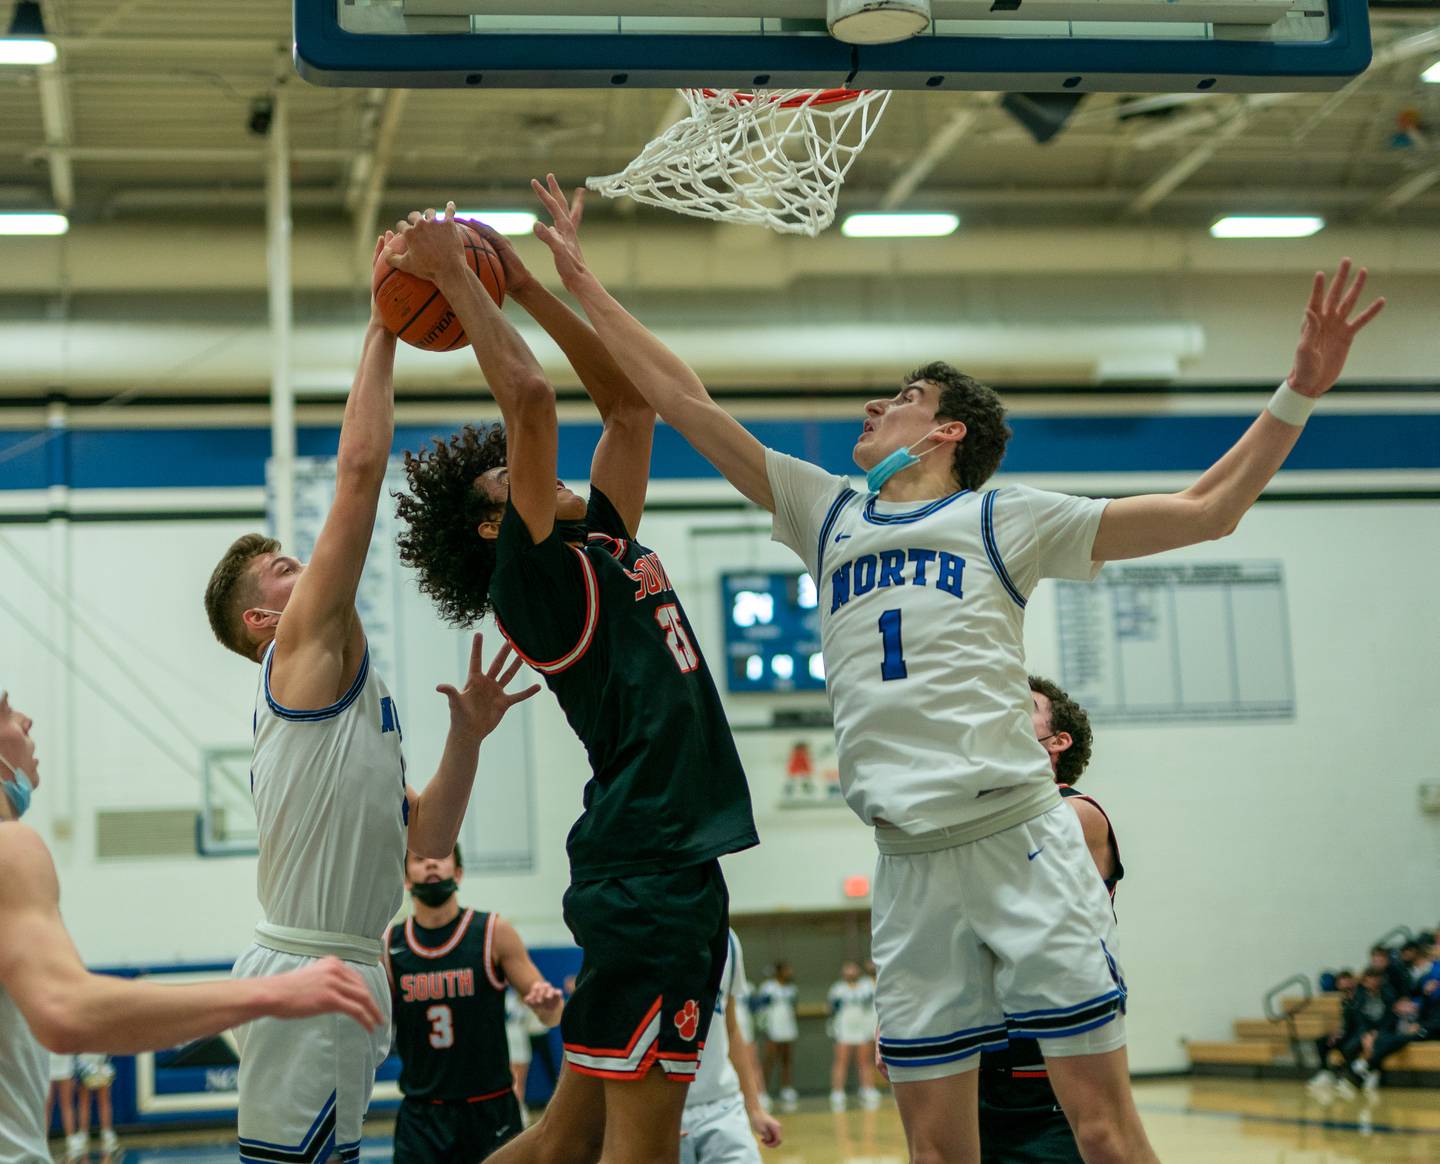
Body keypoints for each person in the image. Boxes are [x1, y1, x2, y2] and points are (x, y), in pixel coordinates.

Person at [525, 174, 1385, 1164]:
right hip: (906, 865)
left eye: (903, 399)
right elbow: (681, 399)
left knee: (1103, 1130)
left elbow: (1208, 510)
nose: (874, 404)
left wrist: (1303, 387)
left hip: (1018, 838)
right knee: (937, 1153)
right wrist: (583, 282)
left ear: (948, 434)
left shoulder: (1005, 516)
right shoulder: (827, 512)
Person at [385, 200, 758, 1164]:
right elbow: (535, 403)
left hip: (650, 863)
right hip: (654, 869)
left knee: (561, 1142)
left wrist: (528, 284)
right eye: (509, 476)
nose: (531, 467)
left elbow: (627, 406)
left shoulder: (600, 540)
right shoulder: (534, 581)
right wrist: (460, 282)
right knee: (641, 1147)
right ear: (489, 530)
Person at [202, 241, 539, 1164]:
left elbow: (426, 838)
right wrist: (383, 325)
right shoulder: (304, 648)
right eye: (283, 569)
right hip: (311, 961)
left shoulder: (348, 690)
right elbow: (358, 475)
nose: (305, 565)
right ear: (263, 621)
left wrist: (467, 737)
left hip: (347, 961)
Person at [0, 690, 384, 1164]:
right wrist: (276, 992)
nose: (26, 719)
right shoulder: (10, 846)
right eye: (4, 710)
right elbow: (66, 1011)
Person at [977, 676, 1124, 1164]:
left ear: (1057, 741)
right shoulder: (981, 811)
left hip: (1054, 1050)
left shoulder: (1078, 812)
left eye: (1027, 705)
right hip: (981, 1047)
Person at [384, 844, 564, 1162]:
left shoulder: (493, 932)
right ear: (405, 879)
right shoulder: (390, 945)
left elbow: (551, 1016)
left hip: (489, 1109)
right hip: (423, 1114)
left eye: (441, 858)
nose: (431, 866)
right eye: (420, 859)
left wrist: (548, 1007)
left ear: (459, 872)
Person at [681, 929, 784, 1164]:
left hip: (723, 1105)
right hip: (660, 1107)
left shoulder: (726, 938)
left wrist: (754, 1108)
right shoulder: (639, 931)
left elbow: (731, 1028)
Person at [828, 962, 881, 1111]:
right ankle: (837, 1092)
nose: (851, 971)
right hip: (843, 1030)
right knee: (841, 1061)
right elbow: (831, 1008)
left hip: (862, 1030)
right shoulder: (837, 989)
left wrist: (872, 967)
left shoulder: (867, 985)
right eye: (847, 968)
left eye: (853, 968)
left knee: (865, 1062)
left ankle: (867, 1089)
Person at [755, 964, 800, 1112]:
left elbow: (794, 1007)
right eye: (786, 969)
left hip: (788, 1027)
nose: (789, 972)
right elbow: (761, 1007)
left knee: (786, 1058)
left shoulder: (792, 989)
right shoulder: (768, 987)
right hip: (773, 1027)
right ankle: (762, 1091)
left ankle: (786, 1088)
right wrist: (764, 1026)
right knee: (769, 1059)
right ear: (780, 971)